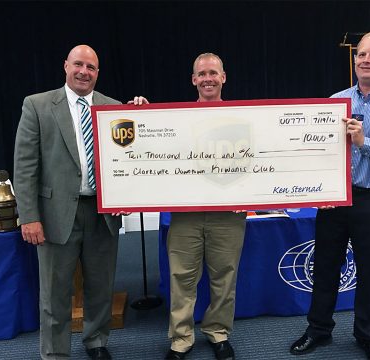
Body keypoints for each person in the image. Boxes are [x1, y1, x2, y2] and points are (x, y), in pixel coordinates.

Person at [289, 32, 370, 360]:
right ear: (354, 59)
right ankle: (318, 329)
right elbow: (322, 153)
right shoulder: (336, 100)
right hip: (335, 199)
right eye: (361, 54)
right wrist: (317, 187)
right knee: (324, 267)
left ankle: (368, 336)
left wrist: (366, 142)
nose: (365, 60)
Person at [131, 53, 246, 360]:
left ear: (224, 77)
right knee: (181, 277)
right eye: (201, 74)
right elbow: (151, 147)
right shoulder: (174, 119)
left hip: (228, 214)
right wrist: (142, 115)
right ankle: (181, 338)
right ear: (193, 80)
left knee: (224, 276)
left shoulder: (246, 117)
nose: (207, 78)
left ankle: (218, 332)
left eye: (213, 73)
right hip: (185, 216)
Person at [14, 45, 124, 360]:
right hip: (53, 215)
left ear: (97, 73)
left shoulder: (112, 107)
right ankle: (55, 353)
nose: (84, 72)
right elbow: (24, 168)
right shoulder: (37, 105)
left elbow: (126, 160)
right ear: (66, 66)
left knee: (101, 286)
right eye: (78, 64)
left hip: (101, 214)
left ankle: (96, 342)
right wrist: (29, 216)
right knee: (55, 292)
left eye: (91, 67)